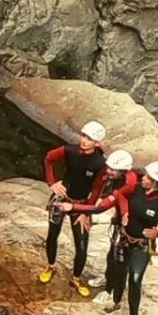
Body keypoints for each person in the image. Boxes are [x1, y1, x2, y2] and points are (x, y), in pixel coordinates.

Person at [74, 158, 158, 315]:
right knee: (119, 271)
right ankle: (116, 302)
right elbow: (121, 196)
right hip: (125, 240)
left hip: (141, 246)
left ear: (155, 183)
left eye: (147, 178)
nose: (143, 179)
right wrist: (124, 212)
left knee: (135, 278)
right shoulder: (137, 188)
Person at [41, 121, 110, 296]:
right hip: (61, 198)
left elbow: (96, 189)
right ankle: (50, 266)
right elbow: (48, 158)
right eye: (84, 136)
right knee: (52, 234)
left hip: (80, 204)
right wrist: (52, 183)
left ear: (97, 143)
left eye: (90, 139)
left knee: (81, 244)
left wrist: (86, 212)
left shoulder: (100, 164)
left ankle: (76, 278)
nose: (85, 141)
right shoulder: (69, 151)